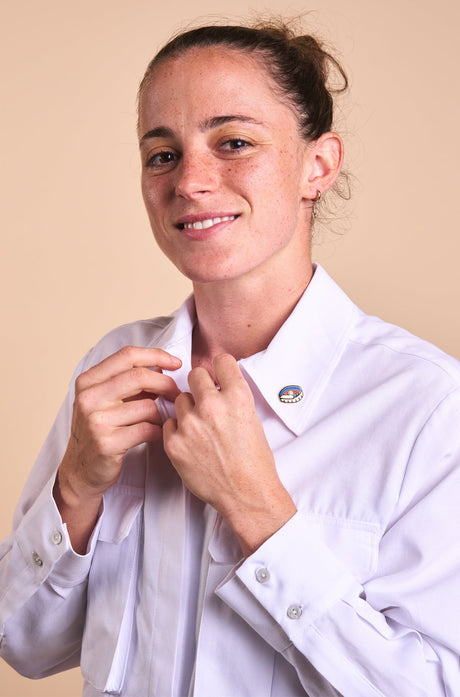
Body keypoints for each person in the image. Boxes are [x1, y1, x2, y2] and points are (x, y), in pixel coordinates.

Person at [1, 18, 459, 697]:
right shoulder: (113, 368)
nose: (190, 182)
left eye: (234, 142)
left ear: (318, 165)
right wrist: (74, 490)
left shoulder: (427, 407)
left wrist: (259, 511)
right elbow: (24, 646)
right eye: (162, 154)